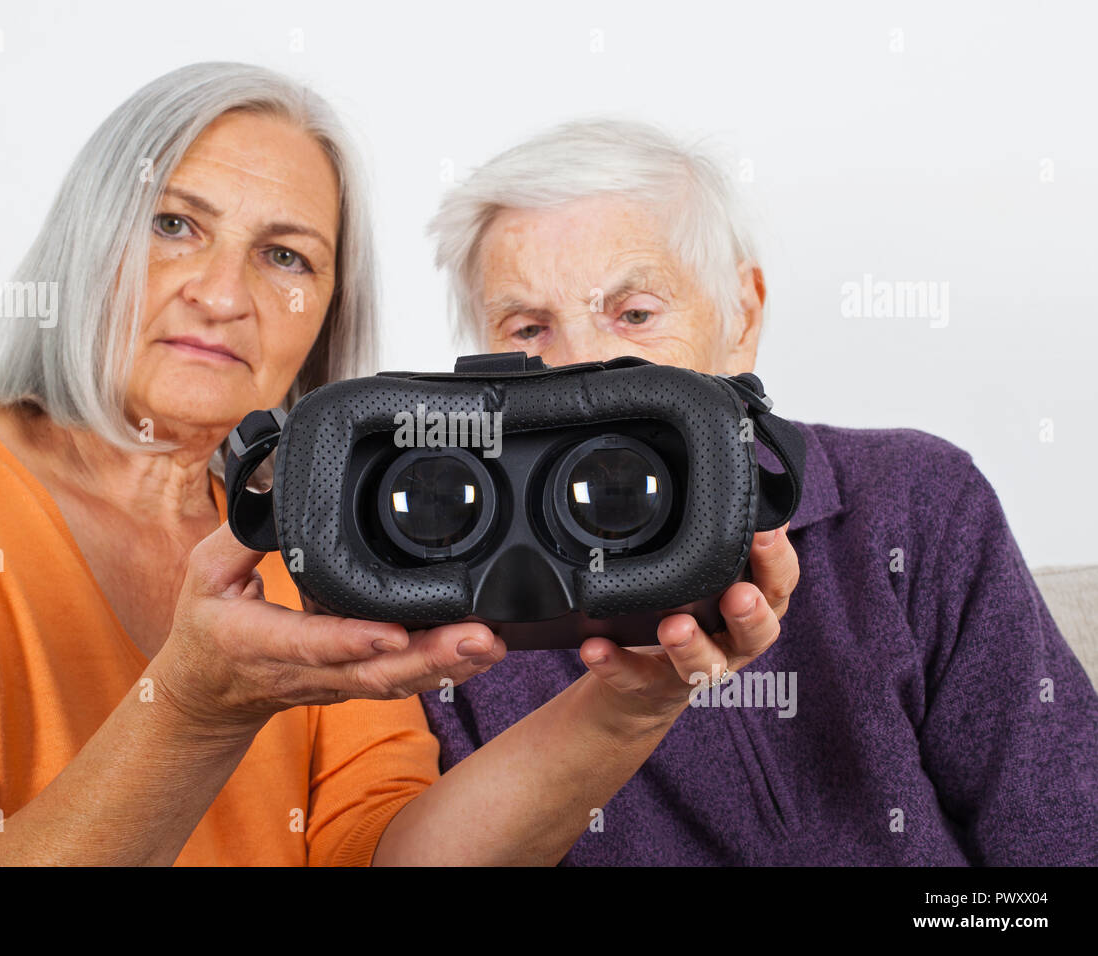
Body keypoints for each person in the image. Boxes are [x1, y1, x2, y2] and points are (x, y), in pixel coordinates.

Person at [0, 67, 793, 867]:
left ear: (326, 315)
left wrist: (631, 698)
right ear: (86, 243)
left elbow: (388, 860)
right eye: (175, 223)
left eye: (286, 256)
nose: (223, 293)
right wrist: (193, 707)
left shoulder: (325, 541)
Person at [420, 118, 1098, 865]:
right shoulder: (451, 615)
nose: (583, 371)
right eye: (527, 331)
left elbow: (1060, 844)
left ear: (742, 314)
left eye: (635, 314)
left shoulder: (918, 502)